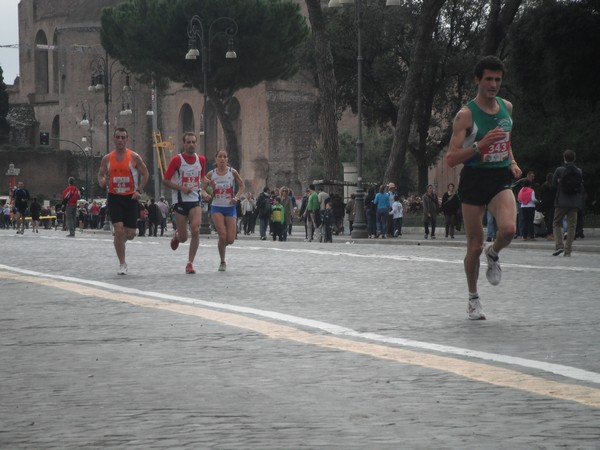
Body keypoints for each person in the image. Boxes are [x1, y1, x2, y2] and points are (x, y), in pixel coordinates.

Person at [446, 55, 522, 320]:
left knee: (509, 229)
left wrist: (512, 161)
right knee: (474, 246)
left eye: (498, 79)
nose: (493, 84)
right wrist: (480, 144)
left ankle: (495, 252)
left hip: (499, 176)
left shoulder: (507, 108)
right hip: (474, 179)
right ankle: (473, 298)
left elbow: (506, 139)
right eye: (488, 79)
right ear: (477, 80)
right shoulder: (465, 115)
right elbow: (451, 158)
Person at [97, 127, 149, 275]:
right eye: (118, 137)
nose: (120, 140)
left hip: (130, 197)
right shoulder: (107, 158)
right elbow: (100, 176)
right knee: (119, 230)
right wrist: (103, 181)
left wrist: (139, 190)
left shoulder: (134, 157)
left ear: (127, 140)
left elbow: (145, 174)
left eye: (123, 137)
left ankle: (120, 241)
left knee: (130, 234)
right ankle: (122, 263)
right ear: (114, 139)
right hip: (114, 197)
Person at [162, 132, 209, 274]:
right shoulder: (177, 160)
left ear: (196, 143)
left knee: (195, 229)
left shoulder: (201, 159)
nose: (191, 145)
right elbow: (166, 180)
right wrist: (181, 188)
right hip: (180, 201)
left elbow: (202, 177)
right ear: (184, 144)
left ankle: (190, 263)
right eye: (188, 142)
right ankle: (177, 236)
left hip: (195, 200)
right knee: (183, 237)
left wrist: (205, 188)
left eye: (193, 142)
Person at [205, 149, 245, 271]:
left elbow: (242, 186)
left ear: (227, 159)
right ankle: (222, 261)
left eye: (224, 157)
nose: (222, 159)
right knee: (222, 235)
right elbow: (201, 187)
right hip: (217, 207)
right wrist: (206, 194)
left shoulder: (232, 172)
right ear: (216, 159)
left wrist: (236, 197)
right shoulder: (211, 174)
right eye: (220, 157)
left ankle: (221, 245)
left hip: (230, 208)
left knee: (231, 240)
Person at [552, 149, 583, 257]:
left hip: (561, 201)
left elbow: (554, 185)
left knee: (556, 223)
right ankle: (568, 250)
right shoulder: (579, 171)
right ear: (574, 158)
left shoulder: (559, 170)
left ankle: (559, 245)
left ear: (564, 158)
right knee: (572, 226)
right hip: (574, 202)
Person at [539, 173, 556, 241]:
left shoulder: (543, 186)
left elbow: (541, 196)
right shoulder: (554, 186)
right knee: (551, 220)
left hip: (545, 205)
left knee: (547, 219)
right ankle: (551, 233)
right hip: (552, 204)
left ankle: (549, 233)